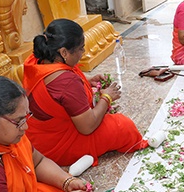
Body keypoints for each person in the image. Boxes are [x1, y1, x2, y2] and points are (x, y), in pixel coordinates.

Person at [23, 18, 148, 167]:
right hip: (57, 146)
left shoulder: (38, 60)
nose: (83, 53)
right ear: (64, 52)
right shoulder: (67, 81)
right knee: (123, 126)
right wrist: (107, 97)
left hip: (37, 139)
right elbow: (87, 127)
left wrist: (87, 81)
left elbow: (55, 89)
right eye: (81, 48)